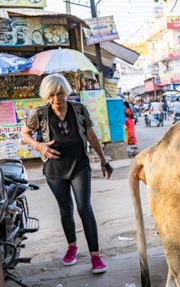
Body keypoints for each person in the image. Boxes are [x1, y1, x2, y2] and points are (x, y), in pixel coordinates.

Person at [20, 74, 112, 274]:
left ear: (66, 92)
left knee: (84, 207)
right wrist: (40, 146)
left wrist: (104, 161)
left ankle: (96, 256)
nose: (56, 99)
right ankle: (72, 247)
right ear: (47, 95)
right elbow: (24, 134)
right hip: (54, 169)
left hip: (79, 165)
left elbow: (91, 136)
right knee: (65, 209)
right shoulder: (39, 113)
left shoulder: (79, 110)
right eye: (52, 94)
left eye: (60, 93)